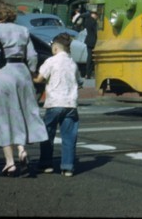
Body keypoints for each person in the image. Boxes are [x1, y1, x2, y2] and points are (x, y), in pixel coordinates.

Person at [0, 0, 48, 177]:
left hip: (5, 72)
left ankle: (10, 163)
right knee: (21, 112)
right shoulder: (23, 30)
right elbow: (33, 55)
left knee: (2, 116)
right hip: (22, 72)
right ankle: (22, 149)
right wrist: (32, 71)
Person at [34, 32, 82, 177]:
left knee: (48, 135)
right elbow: (79, 82)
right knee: (69, 137)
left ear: (55, 47)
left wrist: (31, 76)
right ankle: (67, 167)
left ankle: (46, 164)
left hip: (54, 103)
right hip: (70, 104)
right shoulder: (73, 63)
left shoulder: (51, 61)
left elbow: (39, 79)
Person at [81, 8, 99, 80]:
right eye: (96, 14)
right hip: (93, 41)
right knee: (92, 58)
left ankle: (87, 74)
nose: (97, 16)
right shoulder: (94, 22)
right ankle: (89, 73)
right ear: (94, 14)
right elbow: (96, 32)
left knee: (89, 57)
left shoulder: (87, 21)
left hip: (88, 40)